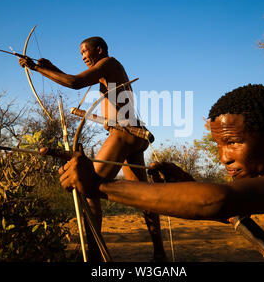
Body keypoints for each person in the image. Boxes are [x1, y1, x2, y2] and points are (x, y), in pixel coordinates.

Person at [59, 84, 264, 262]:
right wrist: (191, 186)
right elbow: (230, 204)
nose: (223, 158)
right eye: (218, 144)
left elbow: (217, 200)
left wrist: (102, 186)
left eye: (232, 143)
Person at [19, 37, 166, 261]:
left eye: (85, 52)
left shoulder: (109, 63)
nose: (83, 57)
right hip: (135, 133)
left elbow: (75, 82)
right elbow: (74, 79)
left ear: (99, 50)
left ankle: (95, 256)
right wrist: (49, 67)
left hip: (124, 134)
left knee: (88, 187)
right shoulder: (107, 69)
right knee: (143, 195)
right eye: (80, 54)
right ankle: (159, 253)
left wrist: (37, 69)